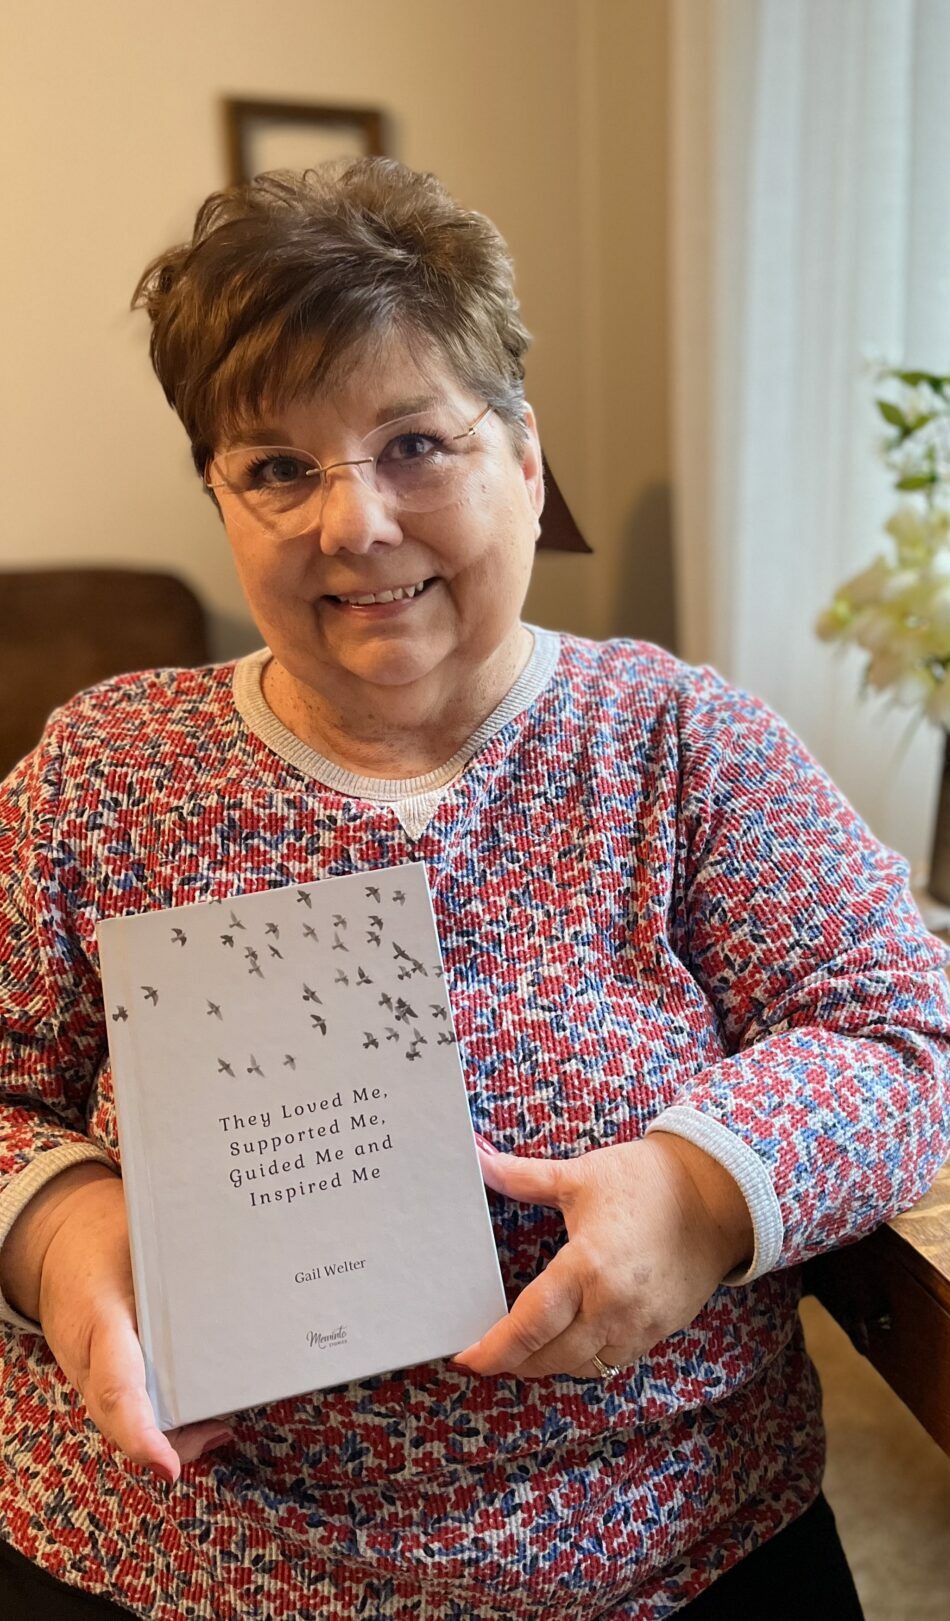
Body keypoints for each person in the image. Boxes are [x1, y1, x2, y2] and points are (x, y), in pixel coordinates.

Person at [0, 158, 947, 1621]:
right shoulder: (106, 770)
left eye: (413, 444)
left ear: (521, 452)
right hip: (176, 1556)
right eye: (276, 467)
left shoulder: (677, 743)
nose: (355, 523)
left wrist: (698, 1190)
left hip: (655, 1552)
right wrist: (61, 1231)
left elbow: (898, 1031)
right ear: (220, 496)